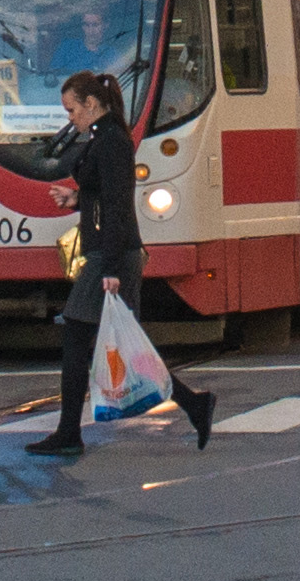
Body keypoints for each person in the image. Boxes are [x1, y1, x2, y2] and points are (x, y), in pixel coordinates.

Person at [26, 70, 214, 458]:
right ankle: (195, 404)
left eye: (72, 109)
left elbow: (117, 206)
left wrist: (109, 269)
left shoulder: (110, 142)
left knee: (77, 337)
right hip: (113, 253)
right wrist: (76, 200)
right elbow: (105, 197)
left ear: (91, 104)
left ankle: (68, 433)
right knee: (130, 346)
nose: (70, 118)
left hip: (111, 256)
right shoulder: (105, 138)